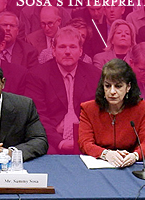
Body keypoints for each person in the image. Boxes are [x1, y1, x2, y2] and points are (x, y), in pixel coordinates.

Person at [25, 26, 100, 154]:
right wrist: (60, 142)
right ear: (53, 51)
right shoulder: (37, 75)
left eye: (72, 47)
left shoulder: (95, 75)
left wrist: (85, 139)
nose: (67, 52)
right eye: (62, 47)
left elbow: (99, 113)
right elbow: (37, 115)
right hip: (51, 138)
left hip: (86, 137)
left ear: (81, 51)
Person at [79, 59, 145, 167]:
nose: (112, 92)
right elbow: (85, 143)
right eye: (108, 86)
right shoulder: (89, 109)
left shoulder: (142, 109)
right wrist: (106, 154)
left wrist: (135, 156)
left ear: (128, 87)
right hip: (99, 164)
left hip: (128, 164)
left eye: (118, 86)